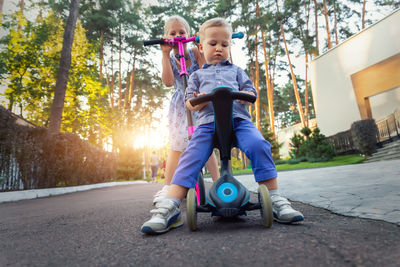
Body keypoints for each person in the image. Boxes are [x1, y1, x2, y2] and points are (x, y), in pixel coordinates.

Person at [141, 17, 304, 234]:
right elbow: (190, 101)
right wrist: (199, 100)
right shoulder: (197, 75)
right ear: (200, 46)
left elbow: (250, 92)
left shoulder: (236, 71)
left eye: (224, 44)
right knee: (190, 154)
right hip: (207, 124)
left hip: (239, 122)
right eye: (212, 44)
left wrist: (246, 96)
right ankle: (169, 206)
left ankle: (274, 198)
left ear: (229, 46)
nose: (219, 48)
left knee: (258, 144)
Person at [152, 15, 220, 204]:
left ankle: (218, 183)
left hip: (200, 101)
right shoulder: (170, 57)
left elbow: (205, 72)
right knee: (176, 147)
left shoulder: (194, 53)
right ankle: (168, 187)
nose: (178, 36)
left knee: (205, 140)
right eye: (172, 33)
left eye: (182, 32)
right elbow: (167, 82)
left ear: (189, 34)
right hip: (180, 106)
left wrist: (200, 46)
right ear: (166, 37)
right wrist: (165, 54)